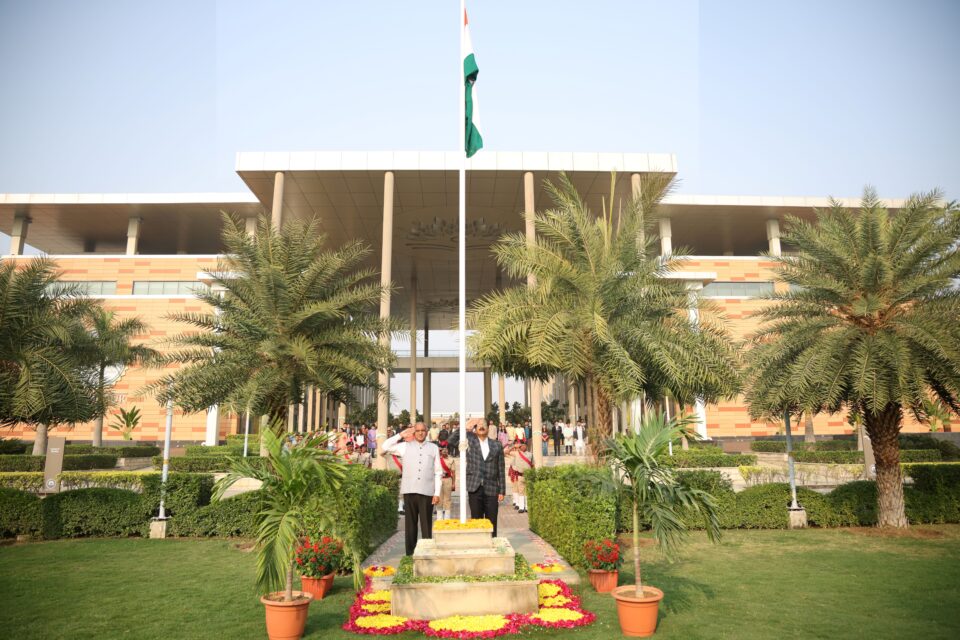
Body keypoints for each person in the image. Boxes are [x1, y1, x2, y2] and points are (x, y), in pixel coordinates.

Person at [381, 423, 442, 556]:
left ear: (427, 432)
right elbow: (385, 446)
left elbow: (438, 472)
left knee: (426, 524)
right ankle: (410, 553)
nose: (420, 433)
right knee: (410, 525)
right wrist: (400, 435)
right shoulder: (404, 446)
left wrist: (437, 493)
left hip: (427, 491)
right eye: (418, 431)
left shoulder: (433, 448)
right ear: (414, 433)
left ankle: (426, 553)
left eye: (423, 431)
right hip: (409, 490)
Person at [450, 421, 505, 537]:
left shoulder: (497, 445)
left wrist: (502, 490)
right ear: (475, 428)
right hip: (474, 487)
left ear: (488, 428)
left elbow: (501, 468)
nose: (481, 426)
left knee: (492, 521)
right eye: (478, 424)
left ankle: (492, 544)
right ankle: (479, 544)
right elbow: (451, 440)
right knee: (476, 521)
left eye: (484, 424)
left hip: (492, 488)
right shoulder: (470, 440)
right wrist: (465, 428)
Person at [507, 441, 534, 513]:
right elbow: (506, 452)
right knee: (521, 491)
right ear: (520, 447)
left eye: (525, 445)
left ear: (527, 447)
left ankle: (527, 507)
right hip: (519, 475)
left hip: (528, 475)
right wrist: (514, 446)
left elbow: (533, 465)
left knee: (527, 492)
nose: (523, 447)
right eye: (522, 446)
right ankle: (521, 507)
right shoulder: (516, 454)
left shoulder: (530, 454)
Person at [437, 435, 457, 521]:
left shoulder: (451, 460)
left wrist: (453, 483)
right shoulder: (437, 459)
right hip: (439, 480)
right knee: (439, 499)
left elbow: (453, 473)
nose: (444, 451)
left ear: (448, 450)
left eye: (446, 449)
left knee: (447, 499)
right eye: (443, 449)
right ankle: (439, 518)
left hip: (448, 480)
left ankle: (447, 518)